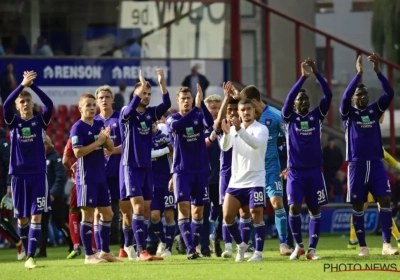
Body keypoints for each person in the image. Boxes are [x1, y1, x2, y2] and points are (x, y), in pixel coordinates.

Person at [340, 54, 398, 256]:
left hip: (375, 164)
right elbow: (345, 98)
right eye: (360, 95)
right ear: (355, 100)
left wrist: (378, 72)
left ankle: (386, 245)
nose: (363, 96)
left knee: (385, 200)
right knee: (358, 205)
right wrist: (358, 75)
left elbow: (390, 93)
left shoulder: (374, 110)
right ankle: (362, 246)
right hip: (356, 164)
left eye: (365, 94)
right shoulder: (348, 114)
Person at [281, 58, 332, 260]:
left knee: (314, 209)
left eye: (306, 100)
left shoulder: (316, 116)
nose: (303, 101)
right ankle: (298, 246)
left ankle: (312, 250)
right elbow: (287, 99)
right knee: (293, 207)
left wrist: (317, 73)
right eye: (299, 100)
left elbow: (328, 95)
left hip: (314, 171)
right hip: (294, 172)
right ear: (295, 104)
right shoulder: (289, 118)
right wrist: (302, 79)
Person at [3, 70, 53, 268]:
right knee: (22, 219)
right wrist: (21, 86)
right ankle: (26, 252)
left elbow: (49, 104)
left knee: (36, 215)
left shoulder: (40, 122)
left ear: (32, 104)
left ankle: (31, 256)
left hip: (38, 174)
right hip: (18, 176)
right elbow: (6, 104)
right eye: (21, 102)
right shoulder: (13, 123)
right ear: (18, 106)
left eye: (27, 101)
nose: (25, 104)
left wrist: (33, 87)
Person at [119, 69, 171, 261]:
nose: (147, 96)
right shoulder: (127, 113)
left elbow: (166, 104)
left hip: (146, 166)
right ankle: (141, 250)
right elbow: (130, 109)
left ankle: (136, 246)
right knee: (138, 208)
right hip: (130, 166)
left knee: (147, 210)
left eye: (149, 94)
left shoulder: (150, 114)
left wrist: (162, 82)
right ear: (136, 94)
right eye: (143, 93)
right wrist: (140, 87)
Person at [239, 84, 291, 256]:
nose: (245, 110)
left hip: (271, 168)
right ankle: (251, 244)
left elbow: (290, 140)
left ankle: (283, 243)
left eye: (248, 106)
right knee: (252, 210)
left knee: (277, 204)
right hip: (251, 170)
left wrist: (288, 163)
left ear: (254, 102)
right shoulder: (245, 118)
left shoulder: (275, 116)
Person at [69, 93, 119, 264]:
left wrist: (106, 139)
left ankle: (104, 252)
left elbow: (110, 148)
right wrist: (98, 142)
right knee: (88, 215)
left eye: (92, 105)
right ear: (80, 108)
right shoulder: (77, 128)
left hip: (100, 177)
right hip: (86, 178)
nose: (91, 108)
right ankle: (89, 255)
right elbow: (78, 152)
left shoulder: (99, 124)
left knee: (108, 213)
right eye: (88, 105)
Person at [166, 85, 214, 260]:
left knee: (198, 211)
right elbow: (179, 126)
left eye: (189, 98)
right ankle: (190, 248)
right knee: (184, 208)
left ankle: (193, 245)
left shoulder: (198, 115)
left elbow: (210, 124)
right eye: (183, 98)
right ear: (178, 100)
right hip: (182, 171)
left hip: (201, 169)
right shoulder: (171, 119)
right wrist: (196, 108)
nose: (186, 101)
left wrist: (202, 107)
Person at [220, 98, 269, 262]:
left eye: (249, 109)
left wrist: (239, 129)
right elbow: (225, 147)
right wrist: (227, 133)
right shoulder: (234, 129)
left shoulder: (262, 129)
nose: (246, 112)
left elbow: (255, 144)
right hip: (236, 181)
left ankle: (258, 254)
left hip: (255, 180)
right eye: (243, 110)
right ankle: (241, 244)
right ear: (238, 112)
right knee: (227, 216)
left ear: (254, 111)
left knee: (256, 214)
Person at [94, 86, 123, 256]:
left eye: (107, 97)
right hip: (100, 173)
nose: (104, 100)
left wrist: (113, 150)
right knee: (99, 211)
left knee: (125, 210)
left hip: (119, 171)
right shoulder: (94, 121)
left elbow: (129, 144)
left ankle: (125, 247)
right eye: (101, 97)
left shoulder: (120, 118)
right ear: (97, 101)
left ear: (113, 99)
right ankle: (101, 249)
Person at [214, 82, 240, 258]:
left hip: (244, 173)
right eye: (228, 110)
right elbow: (216, 123)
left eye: (234, 109)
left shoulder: (245, 125)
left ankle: (244, 244)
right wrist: (226, 99)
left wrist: (239, 97)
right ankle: (228, 247)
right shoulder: (222, 126)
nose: (231, 113)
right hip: (226, 174)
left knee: (245, 212)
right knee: (226, 212)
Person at [35, 135, 72, 258]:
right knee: (42, 223)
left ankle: (73, 245)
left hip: (55, 198)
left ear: (47, 145)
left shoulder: (56, 159)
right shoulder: (39, 159)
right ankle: (42, 251)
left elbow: (61, 178)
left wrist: (53, 193)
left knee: (59, 223)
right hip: (42, 196)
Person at [149, 122, 175, 257]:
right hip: (151, 182)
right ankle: (163, 241)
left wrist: (173, 176)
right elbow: (147, 155)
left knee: (169, 214)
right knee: (154, 216)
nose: (151, 126)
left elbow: (174, 151)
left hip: (166, 180)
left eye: (153, 123)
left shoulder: (164, 137)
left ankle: (169, 248)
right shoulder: (141, 138)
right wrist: (166, 150)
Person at [203, 94, 222, 257]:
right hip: (204, 176)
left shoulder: (225, 125)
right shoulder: (200, 125)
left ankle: (215, 238)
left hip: (222, 176)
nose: (215, 111)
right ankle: (202, 245)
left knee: (222, 209)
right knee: (203, 211)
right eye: (212, 108)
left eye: (218, 108)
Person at [62, 139, 83, 259]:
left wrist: (73, 170)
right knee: (95, 213)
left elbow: (65, 161)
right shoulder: (97, 132)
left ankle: (76, 246)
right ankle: (96, 248)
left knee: (74, 212)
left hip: (79, 180)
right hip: (99, 176)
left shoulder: (72, 137)